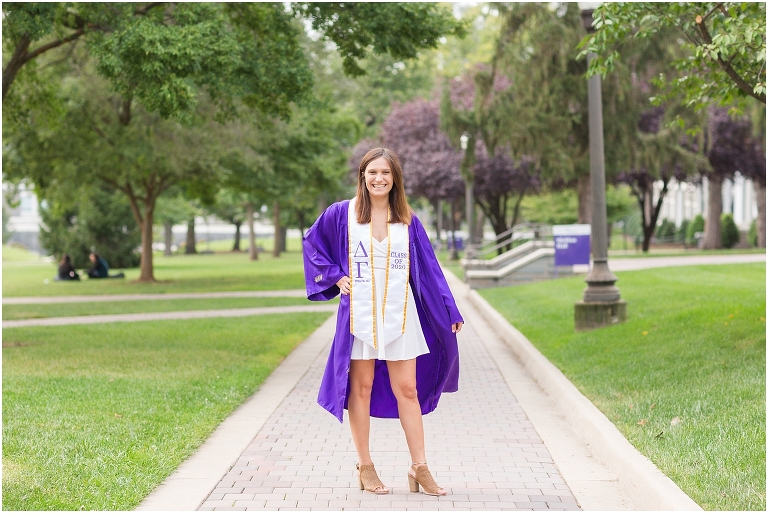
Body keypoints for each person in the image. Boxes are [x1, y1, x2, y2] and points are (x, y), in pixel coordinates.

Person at [303, 147, 464, 496]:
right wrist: (334, 277)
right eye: (372, 172)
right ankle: (365, 466)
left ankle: (419, 467)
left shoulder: (406, 219)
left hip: (399, 313)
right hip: (359, 315)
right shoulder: (342, 214)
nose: (379, 178)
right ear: (363, 175)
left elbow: (432, 269)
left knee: (408, 390)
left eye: (386, 173)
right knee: (360, 388)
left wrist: (449, 309)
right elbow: (312, 243)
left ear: (395, 179)